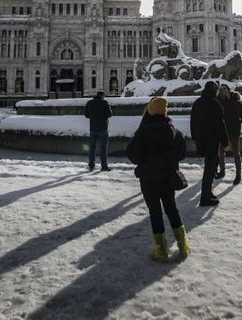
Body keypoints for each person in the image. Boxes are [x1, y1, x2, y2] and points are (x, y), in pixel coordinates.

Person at [125, 97, 190, 262]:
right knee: (172, 209)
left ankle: (161, 250)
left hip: (149, 179)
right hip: (168, 177)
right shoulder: (173, 130)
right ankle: (183, 245)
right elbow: (182, 153)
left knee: (155, 212)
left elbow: (133, 155)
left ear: (151, 111)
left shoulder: (144, 131)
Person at [190, 81, 229, 206]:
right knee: (209, 168)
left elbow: (192, 122)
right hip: (211, 141)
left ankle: (208, 193)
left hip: (200, 140)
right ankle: (205, 197)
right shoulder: (214, 104)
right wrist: (225, 141)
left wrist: (194, 138)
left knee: (213, 164)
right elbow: (220, 124)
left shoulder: (197, 103)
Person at [216, 85, 242, 185]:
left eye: (225, 89)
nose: (224, 91)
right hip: (223, 130)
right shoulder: (219, 101)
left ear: (229, 90)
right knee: (221, 152)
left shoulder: (236, 101)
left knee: (236, 153)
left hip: (234, 130)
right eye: (222, 89)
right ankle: (222, 171)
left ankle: (238, 175)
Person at [84, 91, 112, 171]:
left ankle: (91, 165)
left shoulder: (89, 103)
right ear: (102, 96)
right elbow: (109, 114)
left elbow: (86, 115)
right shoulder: (104, 103)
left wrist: (93, 117)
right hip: (103, 128)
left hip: (93, 128)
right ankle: (104, 166)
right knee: (103, 147)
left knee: (92, 147)